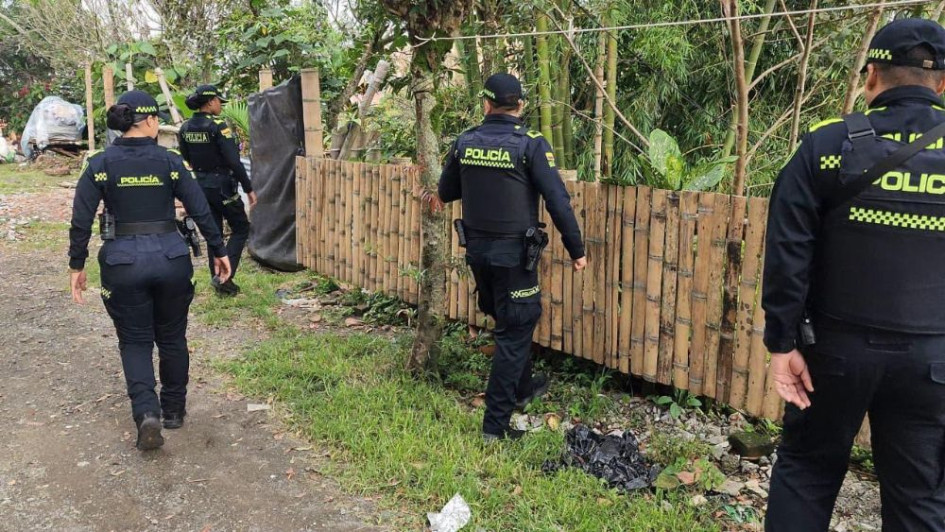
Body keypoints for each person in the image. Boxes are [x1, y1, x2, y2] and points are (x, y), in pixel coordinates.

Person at [762, 18, 945, 531]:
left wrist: (782, 344)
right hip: (932, 364)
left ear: (872, 76)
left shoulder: (826, 145)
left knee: (807, 473)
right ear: (942, 85)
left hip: (833, 355)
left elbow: (787, 251)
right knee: (921, 496)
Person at [68, 90, 232, 451]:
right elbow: (199, 208)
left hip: (122, 261)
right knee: (172, 337)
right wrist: (218, 251)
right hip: (171, 259)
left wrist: (76, 265)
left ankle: (147, 414)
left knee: (135, 341)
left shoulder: (99, 163)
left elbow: (81, 219)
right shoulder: (170, 161)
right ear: (152, 121)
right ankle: (173, 410)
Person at [438, 73, 587, 442]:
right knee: (516, 328)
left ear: (486, 104)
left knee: (507, 320)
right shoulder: (531, 144)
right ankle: (495, 427)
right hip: (514, 257)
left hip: (477, 252)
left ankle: (523, 389)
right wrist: (577, 249)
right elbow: (557, 200)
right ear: (519, 105)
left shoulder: (465, 141)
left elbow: (446, 190)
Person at [178, 84, 256, 296]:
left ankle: (218, 280)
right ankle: (225, 276)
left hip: (200, 186)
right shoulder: (219, 126)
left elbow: (185, 158)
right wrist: (248, 188)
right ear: (210, 102)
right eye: (219, 101)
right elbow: (234, 161)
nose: (220, 105)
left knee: (215, 233)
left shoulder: (185, 127)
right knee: (241, 228)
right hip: (222, 185)